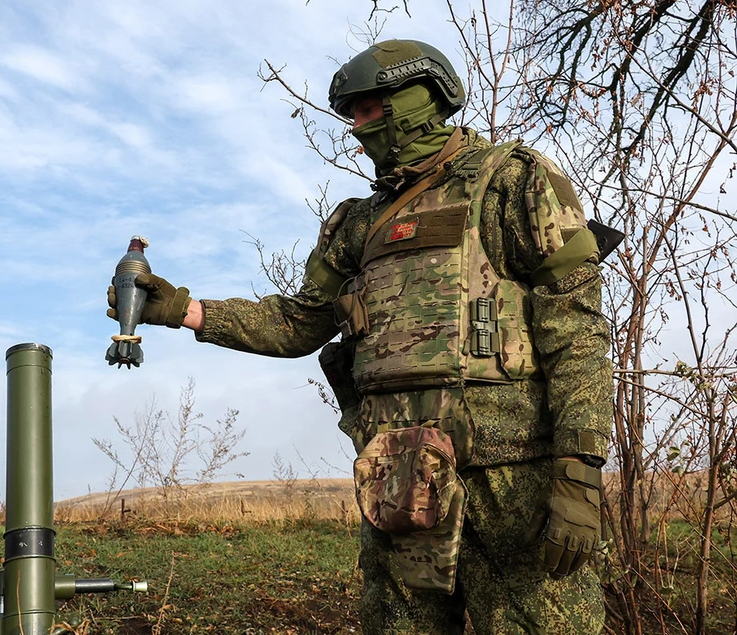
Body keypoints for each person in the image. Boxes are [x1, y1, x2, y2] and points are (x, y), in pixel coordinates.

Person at [107, 39, 613, 635]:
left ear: (415, 100)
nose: (355, 126)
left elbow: (575, 331)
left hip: (513, 482)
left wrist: (579, 470)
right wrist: (184, 309)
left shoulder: (514, 182)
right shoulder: (358, 223)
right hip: (398, 477)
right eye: (352, 113)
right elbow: (296, 323)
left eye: (367, 109)